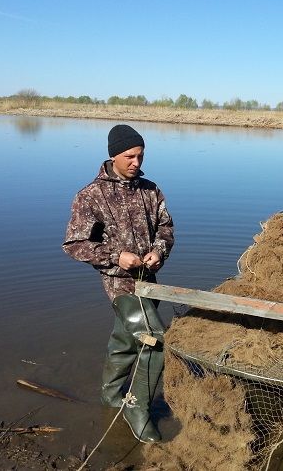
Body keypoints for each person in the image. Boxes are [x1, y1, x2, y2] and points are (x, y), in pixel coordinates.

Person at [63, 124, 174, 443]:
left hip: (148, 281)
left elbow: (166, 230)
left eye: (140, 156)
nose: (136, 162)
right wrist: (117, 255)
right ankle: (137, 410)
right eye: (130, 156)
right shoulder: (91, 195)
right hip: (119, 284)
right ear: (114, 155)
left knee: (126, 341)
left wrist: (157, 252)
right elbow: (74, 244)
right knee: (154, 340)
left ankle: (111, 397)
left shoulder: (151, 190)